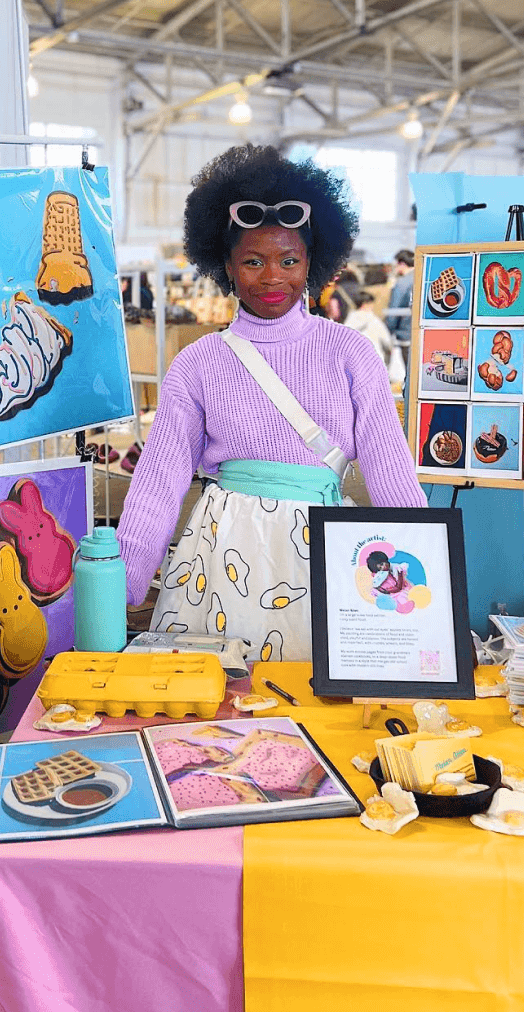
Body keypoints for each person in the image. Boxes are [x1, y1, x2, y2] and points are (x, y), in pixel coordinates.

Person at [115, 144, 425, 663]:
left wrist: (425, 568)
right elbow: (159, 482)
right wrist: (119, 587)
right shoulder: (198, 363)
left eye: (289, 259)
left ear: (313, 262)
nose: (272, 276)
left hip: (323, 550)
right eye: (253, 261)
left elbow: (389, 466)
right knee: (216, 703)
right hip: (218, 556)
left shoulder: (350, 352)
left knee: (319, 692)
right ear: (226, 267)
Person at [345, 290, 395, 366]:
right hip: (374, 361)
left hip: (355, 363)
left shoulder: (348, 321)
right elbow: (387, 342)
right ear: (366, 304)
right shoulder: (374, 320)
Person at [385, 249, 415, 344]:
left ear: (402, 264)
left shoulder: (403, 282)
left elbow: (394, 309)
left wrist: (388, 331)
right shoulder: (422, 277)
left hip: (405, 334)